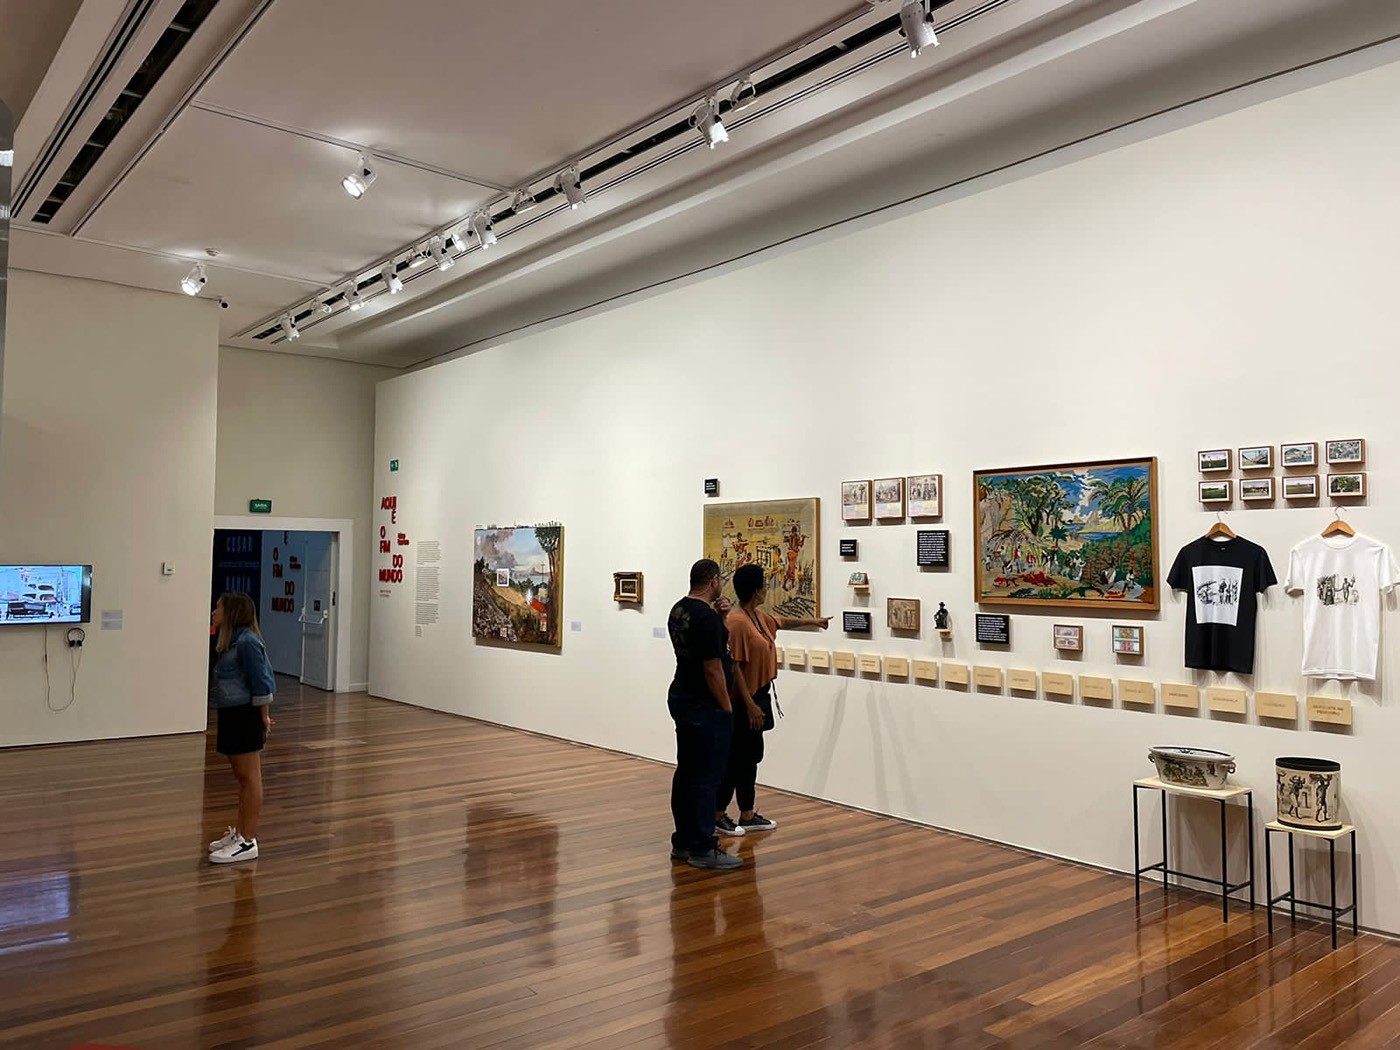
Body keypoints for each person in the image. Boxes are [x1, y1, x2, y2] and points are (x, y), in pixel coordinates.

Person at [718, 564, 829, 836]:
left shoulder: (755, 616)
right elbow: (735, 668)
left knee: (750, 758)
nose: (767, 588)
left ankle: (747, 813)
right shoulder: (737, 622)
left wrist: (814, 621)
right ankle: (718, 814)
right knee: (735, 759)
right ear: (757, 590)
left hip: (759, 696)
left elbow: (780, 621)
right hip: (745, 702)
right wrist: (750, 704)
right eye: (764, 585)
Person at [666, 559, 742, 871]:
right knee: (706, 778)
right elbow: (713, 669)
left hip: (682, 696)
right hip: (704, 704)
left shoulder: (679, 610)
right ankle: (702, 846)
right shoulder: (705, 618)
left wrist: (722, 617)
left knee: (686, 771)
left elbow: (707, 649)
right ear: (713, 581)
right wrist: (726, 707)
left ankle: (683, 841)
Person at [207, 592, 277, 864]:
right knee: (242, 777)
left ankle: (247, 841)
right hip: (231, 714)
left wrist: (264, 718)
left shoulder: (247, 642)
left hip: (244, 716)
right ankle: (239, 834)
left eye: (218, 608)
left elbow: (262, 683)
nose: (214, 612)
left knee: (250, 779)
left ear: (232, 613)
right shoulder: (231, 641)